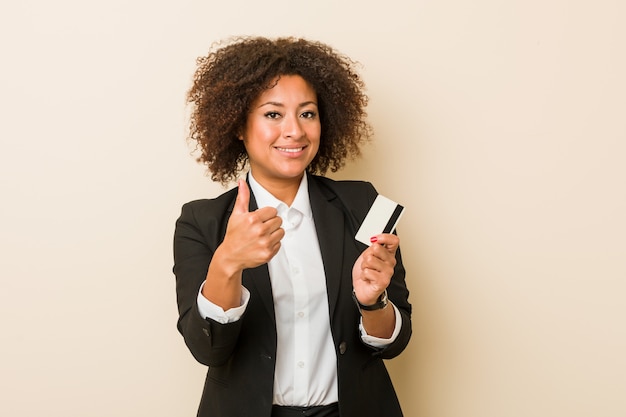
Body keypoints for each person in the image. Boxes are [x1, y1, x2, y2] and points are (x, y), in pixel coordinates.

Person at [173, 36, 412, 417]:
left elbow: (394, 342)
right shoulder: (201, 222)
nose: (295, 131)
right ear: (238, 124)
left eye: (307, 113)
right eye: (272, 114)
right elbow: (208, 350)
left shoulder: (362, 204)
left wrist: (373, 302)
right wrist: (227, 264)